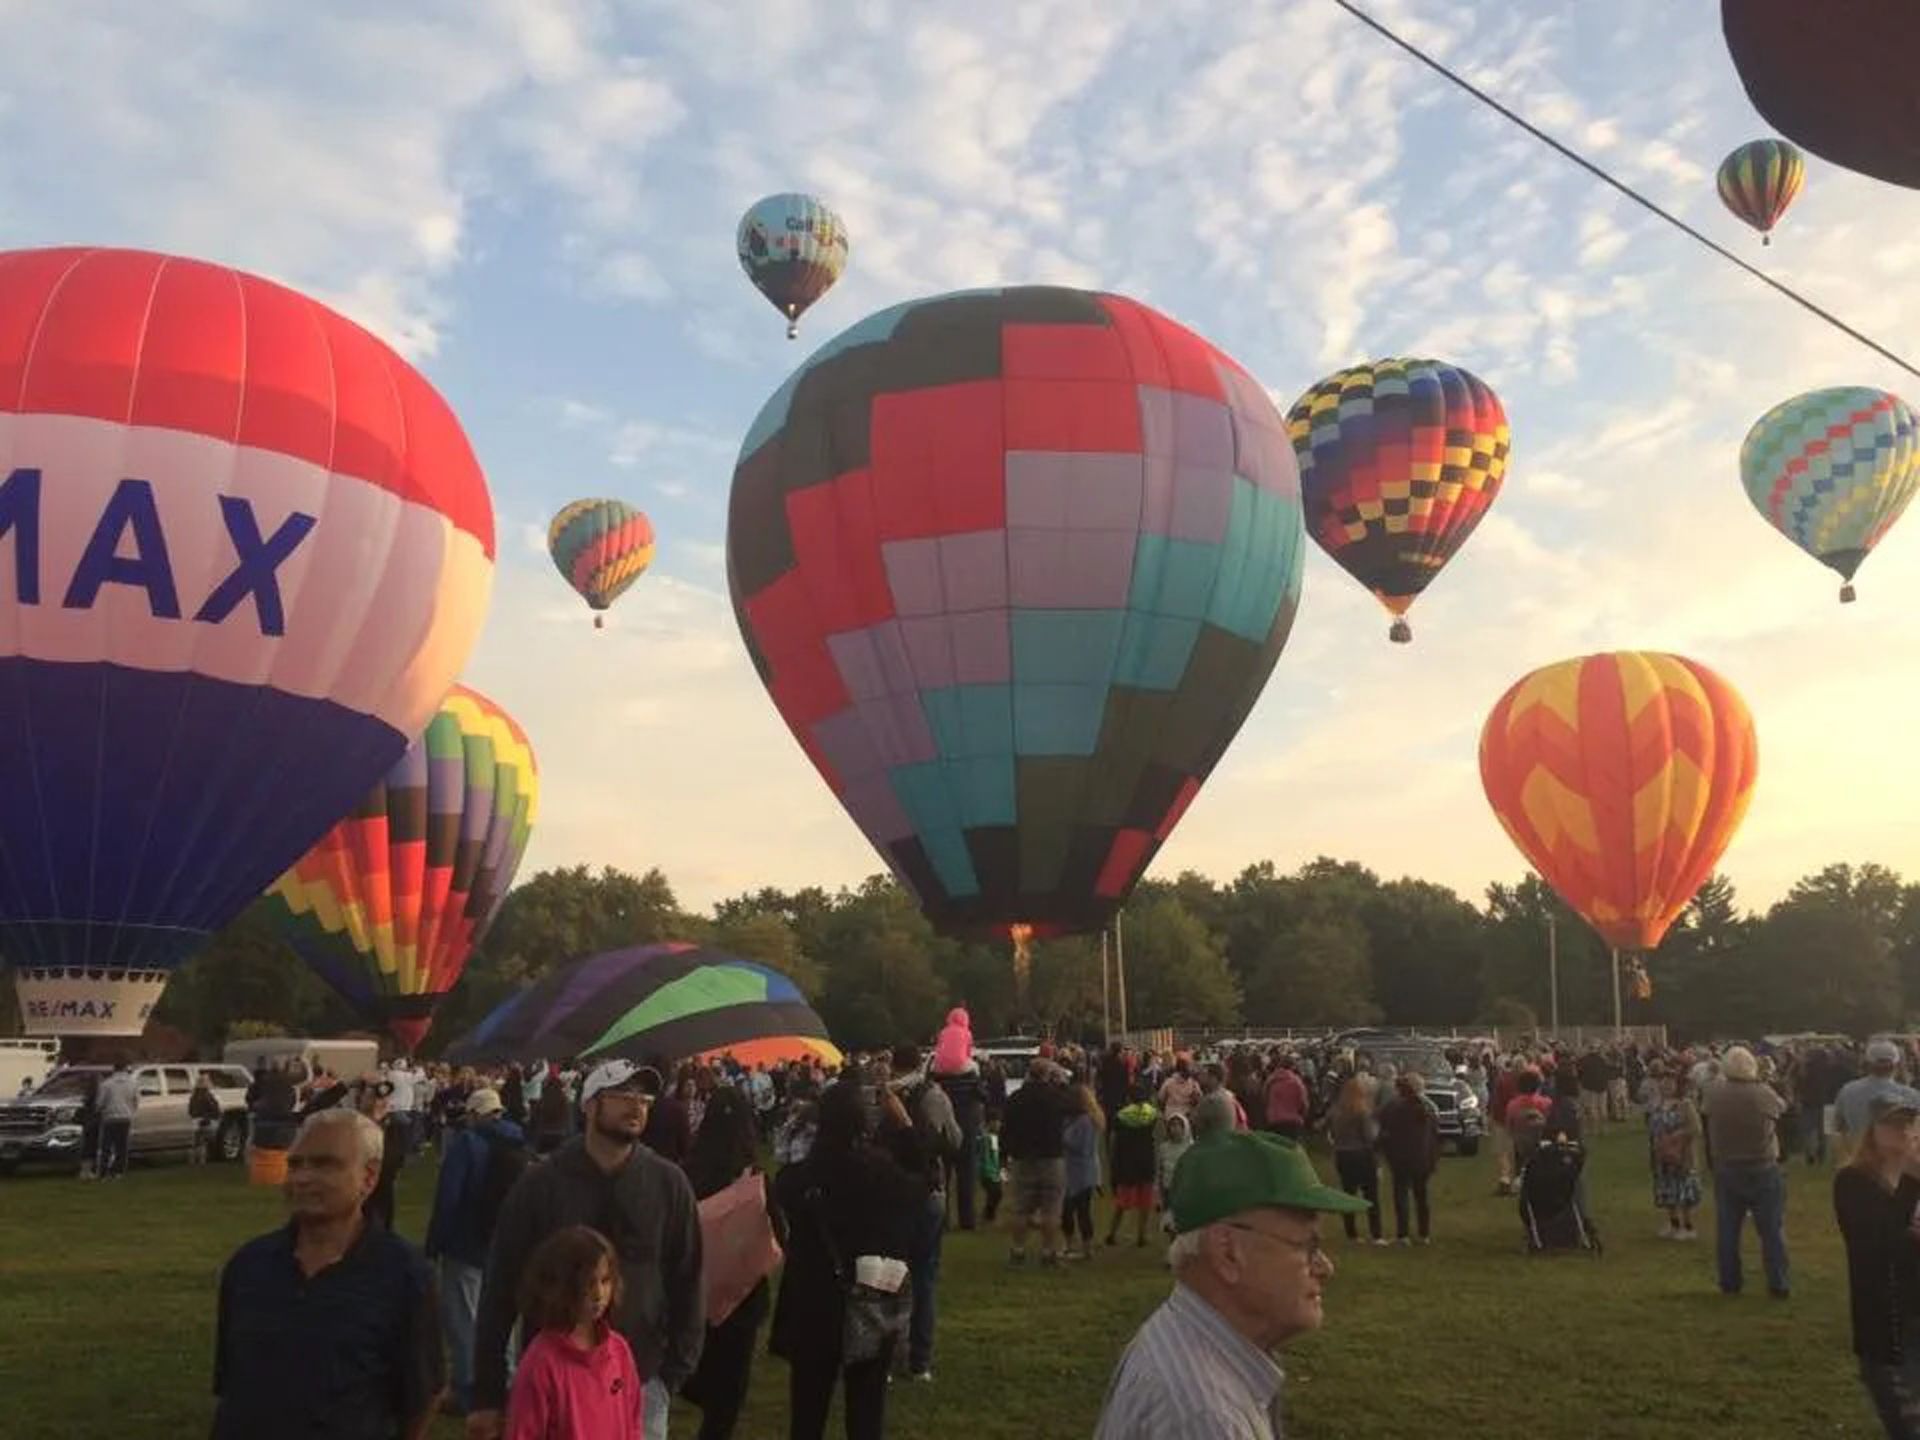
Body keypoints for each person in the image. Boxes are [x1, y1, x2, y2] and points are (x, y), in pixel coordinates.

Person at [470, 1060, 703, 1440]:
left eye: (644, 1099)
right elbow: (501, 1284)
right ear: (591, 1105)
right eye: (623, 1095)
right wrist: (487, 1392)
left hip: (641, 1377)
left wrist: (673, 1372)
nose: (637, 1106)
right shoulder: (542, 1183)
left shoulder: (668, 1183)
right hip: (556, 1381)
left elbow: (689, 1277)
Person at [1092, 1130, 1369, 1439]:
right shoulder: (1208, 1418)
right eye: (1306, 1246)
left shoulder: (1186, 1344)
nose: (1325, 1268)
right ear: (1227, 1253)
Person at [212, 1108, 444, 1439]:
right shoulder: (249, 1265)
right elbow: (230, 1381)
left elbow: (423, 1393)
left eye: (324, 1164)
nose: (302, 1178)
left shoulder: (404, 1275)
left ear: (369, 1177)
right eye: (295, 1165)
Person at [769, 1080, 924, 1440]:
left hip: (812, 1298)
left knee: (807, 1411)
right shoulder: (880, 1173)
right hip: (869, 1292)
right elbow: (923, 1182)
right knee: (866, 1409)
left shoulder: (799, 1178)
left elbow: (781, 1188)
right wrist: (905, 1127)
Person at [680, 1087, 780, 1440]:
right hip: (742, 1295)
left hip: (695, 1290)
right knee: (728, 1394)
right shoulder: (756, 1180)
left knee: (693, 1367)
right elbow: (777, 1233)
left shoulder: (686, 1175)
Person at [427, 1087, 527, 1417]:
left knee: (464, 1319)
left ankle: (469, 1388)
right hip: (504, 1244)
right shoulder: (517, 1140)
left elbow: (449, 1197)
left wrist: (435, 1243)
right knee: (503, 1319)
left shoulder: (467, 1143)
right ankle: (508, 1382)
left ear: (473, 1113)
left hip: (466, 1243)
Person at [506, 1225, 643, 1440]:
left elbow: (633, 1421)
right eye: (588, 1283)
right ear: (561, 1286)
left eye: (605, 1280)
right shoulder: (541, 1363)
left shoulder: (619, 1351)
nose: (599, 1294)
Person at [1835, 1094, 1920, 1438]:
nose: (1903, 1130)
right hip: (1888, 1325)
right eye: (1892, 1123)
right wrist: (1909, 1179)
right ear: (1871, 1129)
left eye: (1908, 1122)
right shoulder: (1853, 1181)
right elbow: (1875, 1247)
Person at [1704, 1045, 1790, 1299]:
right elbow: (1783, 1108)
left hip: (1727, 1166)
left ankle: (1730, 1282)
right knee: (1771, 1229)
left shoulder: (1714, 1093)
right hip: (1762, 1165)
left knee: (1728, 1229)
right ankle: (1778, 1281)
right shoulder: (1762, 1093)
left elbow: (1705, 1113)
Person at [1000, 1058, 1072, 1266]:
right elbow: (1070, 1109)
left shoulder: (1015, 1098)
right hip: (1051, 1157)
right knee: (1051, 1209)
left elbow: (1006, 1129)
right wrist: (1061, 1081)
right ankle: (1048, 1251)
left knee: (1021, 1208)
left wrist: (1004, 1156)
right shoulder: (1056, 1097)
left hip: (1023, 1157)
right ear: (1047, 1076)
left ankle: (1018, 1249)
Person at [1377, 1073, 1439, 1246]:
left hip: (1400, 1158)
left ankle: (1403, 1234)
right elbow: (1434, 1133)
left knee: (1401, 1195)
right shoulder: (1428, 1107)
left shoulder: (1392, 1107)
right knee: (1421, 1195)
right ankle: (1424, 1233)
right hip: (1422, 1157)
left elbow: (1382, 1128)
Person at [1837, 1042, 1920, 1164]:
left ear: (1868, 1063)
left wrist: (1846, 1158)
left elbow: (1838, 1130)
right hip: (1898, 1162)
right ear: (1896, 1064)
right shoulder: (1912, 1095)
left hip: (1860, 1159)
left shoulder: (1847, 1091)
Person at [1327, 1076, 1384, 1246]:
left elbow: (1331, 1133)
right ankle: (1376, 1235)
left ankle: (1351, 1234)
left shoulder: (1336, 1112)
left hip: (1343, 1154)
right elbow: (1370, 1136)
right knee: (1371, 1195)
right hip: (1362, 1154)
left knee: (1348, 1194)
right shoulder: (1362, 1112)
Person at [1648, 1070, 1703, 1240]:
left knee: (1683, 1189)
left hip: (1682, 1154)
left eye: (1670, 1082)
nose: (1666, 1086)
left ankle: (1688, 1226)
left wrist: (1676, 1136)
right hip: (1662, 1154)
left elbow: (1696, 1128)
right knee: (1667, 1189)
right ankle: (1673, 1223)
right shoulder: (1657, 1104)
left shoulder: (1685, 1104)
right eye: (1664, 1082)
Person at [1106, 1087, 1159, 1248]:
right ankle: (1142, 1235)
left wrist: (1112, 1159)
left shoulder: (1121, 1116)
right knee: (1145, 1202)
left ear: (1129, 1099)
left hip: (1127, 1161)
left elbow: (1113, 1139)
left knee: (1122, 1202)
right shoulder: (1152, 1114)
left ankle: (1112, 1233)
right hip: (1146, 1160)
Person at [1061, 1083, 1105, 1261]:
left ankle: (1084, 1247)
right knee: (1071, 1211)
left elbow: (1082, 1147)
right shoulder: (1078, 1119)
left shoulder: (1085, 1121)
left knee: (1079, 1211)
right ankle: (1071, 1244)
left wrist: (1063, 1138)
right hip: (1076, 1170)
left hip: (1081, 1171)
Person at [96, 1060, 138, 1179]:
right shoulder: (133, 1083)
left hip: (110, 1118)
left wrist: (100, 1111)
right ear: (125, 1069)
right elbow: (135, 1100)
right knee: (122, 1147)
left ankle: (103, 1172)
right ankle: (118, 1171)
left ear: (114, 1069)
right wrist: (131, 1112)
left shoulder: (107, 1084)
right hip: (125, 1117)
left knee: (106, 1147)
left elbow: (100, 1103)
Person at [1263, 1057, 1308, 1141]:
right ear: (1293, 1067)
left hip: (1274, 1121)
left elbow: (1265, 1100)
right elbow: (1303, 1104)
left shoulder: (1270, 1081)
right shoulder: (1297, 1082)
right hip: (1292, 1122)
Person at [189, 1071, 222, 1165]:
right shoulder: (208, 1096)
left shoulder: (194, 1097)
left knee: (195, 1142)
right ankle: (202, 1160)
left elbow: (190, 1110)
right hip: (206, 1121)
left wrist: (195, 1117)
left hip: (195, 1121)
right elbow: (214, 1108)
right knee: (203, 1142)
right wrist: (213, 1116)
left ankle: (193, 1159)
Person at [978, 1113, 1005, 1225]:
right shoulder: (985, 1138)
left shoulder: (995, 1138)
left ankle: (989, 1215)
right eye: (997, 1122)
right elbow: (985, 1156)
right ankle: (988, 1216)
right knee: (995, 1193)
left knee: (997, 1194)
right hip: (987, 1172)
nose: (999, 1125)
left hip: (994, 1172)